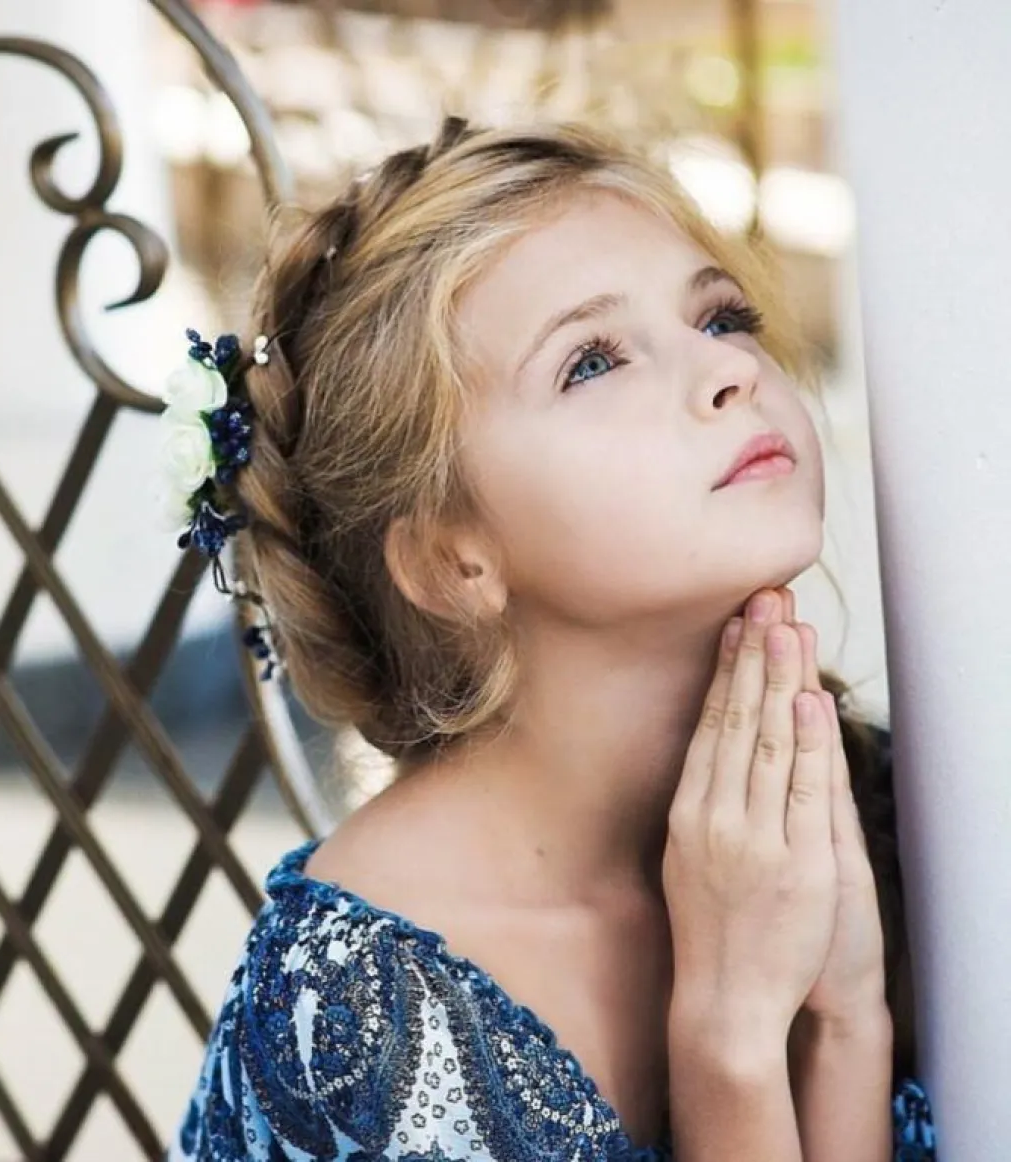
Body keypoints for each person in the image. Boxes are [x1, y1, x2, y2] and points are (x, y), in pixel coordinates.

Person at [161, 118, 937, 1161]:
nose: (728, 370)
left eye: (721, 315)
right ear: (452, 559)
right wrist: (732, 1043)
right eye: (592, 362)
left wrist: (843, 1025)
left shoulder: (893, 813)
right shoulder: (360, 1016)